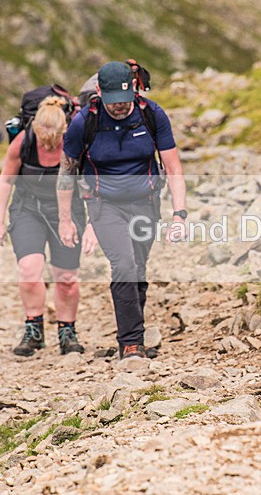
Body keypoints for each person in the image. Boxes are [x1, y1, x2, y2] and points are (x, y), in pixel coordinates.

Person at [57, 61, 187, 360]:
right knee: (124, 265)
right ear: (99, 91)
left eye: (125, 99)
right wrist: (66, 220)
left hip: (146, 202)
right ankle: (131, 343)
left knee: (138, 267)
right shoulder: (84, 122)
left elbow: (173, 167)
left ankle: (134, 333)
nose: (120, 106)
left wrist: (179, 214)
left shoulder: (151, 114)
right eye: (113, 100)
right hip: (104, 204)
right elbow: (66, 173)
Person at [0, 97, 96, 356]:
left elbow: (91, 185)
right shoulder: (22, 142)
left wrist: (92, 223)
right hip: (28, 209)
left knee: (67, 278)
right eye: (43, 138)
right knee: (29, 269)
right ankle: (34, 329)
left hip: (68, 211)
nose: (48, 144)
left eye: (54, 139)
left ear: (64, 130)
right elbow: (6, 181)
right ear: (35, 129)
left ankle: (67, 331)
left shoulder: (75, 143)